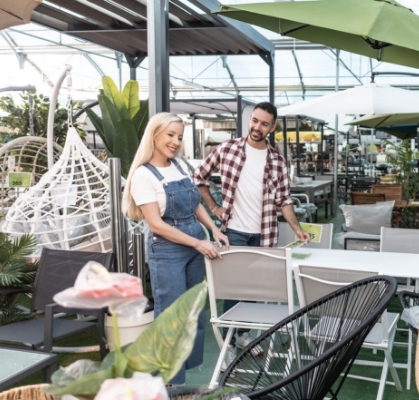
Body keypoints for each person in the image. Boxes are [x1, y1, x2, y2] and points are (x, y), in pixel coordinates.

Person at [193, 102, 311, 367]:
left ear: (272, 127)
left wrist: (297, 229)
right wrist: (213, 207)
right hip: (232, 232)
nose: (257, 127)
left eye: (264, 123)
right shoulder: (227, 149)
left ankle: (244, 335)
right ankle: (227, 347)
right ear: (250, 120)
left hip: (263, 234)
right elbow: (198, 176)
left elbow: (285, 199)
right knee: (234, 289)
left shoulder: (277, 161)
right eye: (255, 121)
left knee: (253, 287)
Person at [122, 113, 230, 387]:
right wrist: (198, 242)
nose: (175, 142)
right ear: (154, 135)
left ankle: (182, 374)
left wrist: (214, 229)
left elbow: (195, 205)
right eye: (170, 135)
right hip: (168, 249)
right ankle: (167, 382)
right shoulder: (142, 176)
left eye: (179, 137)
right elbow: (156, 225)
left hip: (195, 243)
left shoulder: (179, 166)